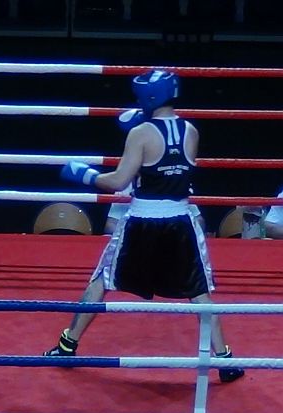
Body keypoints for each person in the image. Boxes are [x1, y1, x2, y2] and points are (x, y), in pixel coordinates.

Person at [44, 69, 245, 383]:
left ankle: (67, 346)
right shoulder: (191, 131)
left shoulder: (140, 133)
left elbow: (118, 181)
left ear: (148, 97)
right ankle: (225, 360)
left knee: (101, 280)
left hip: (141, 220)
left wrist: (85, 174)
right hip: (180, 220)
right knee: (199, 292)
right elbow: (171, 166)